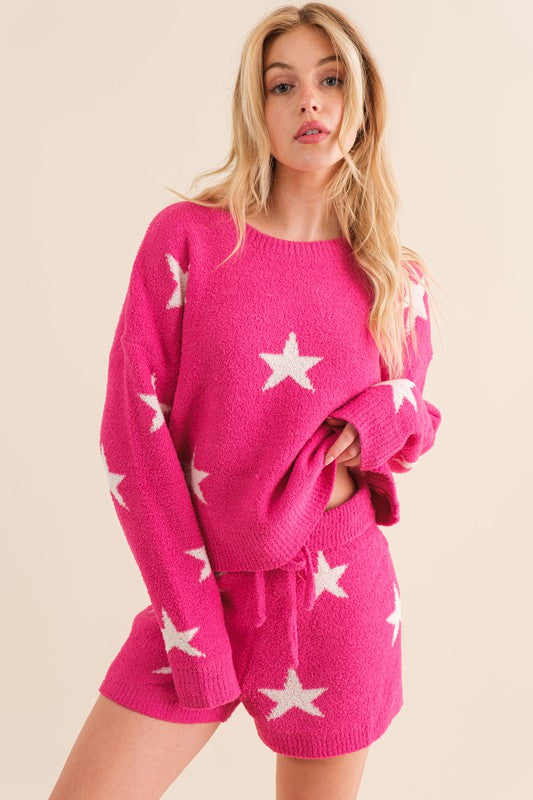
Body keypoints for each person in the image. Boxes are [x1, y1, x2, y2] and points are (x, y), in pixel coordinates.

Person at [48, 4, 442, 799]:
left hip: (337, 591)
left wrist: (369, 419)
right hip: (199, 589)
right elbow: (131, 432)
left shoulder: (393, 276)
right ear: (254, 108)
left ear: (361, 99)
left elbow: (414, 414)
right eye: (281, 84)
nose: (309, 101)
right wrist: (190, 621)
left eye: (330, 80)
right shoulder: (188, 239)